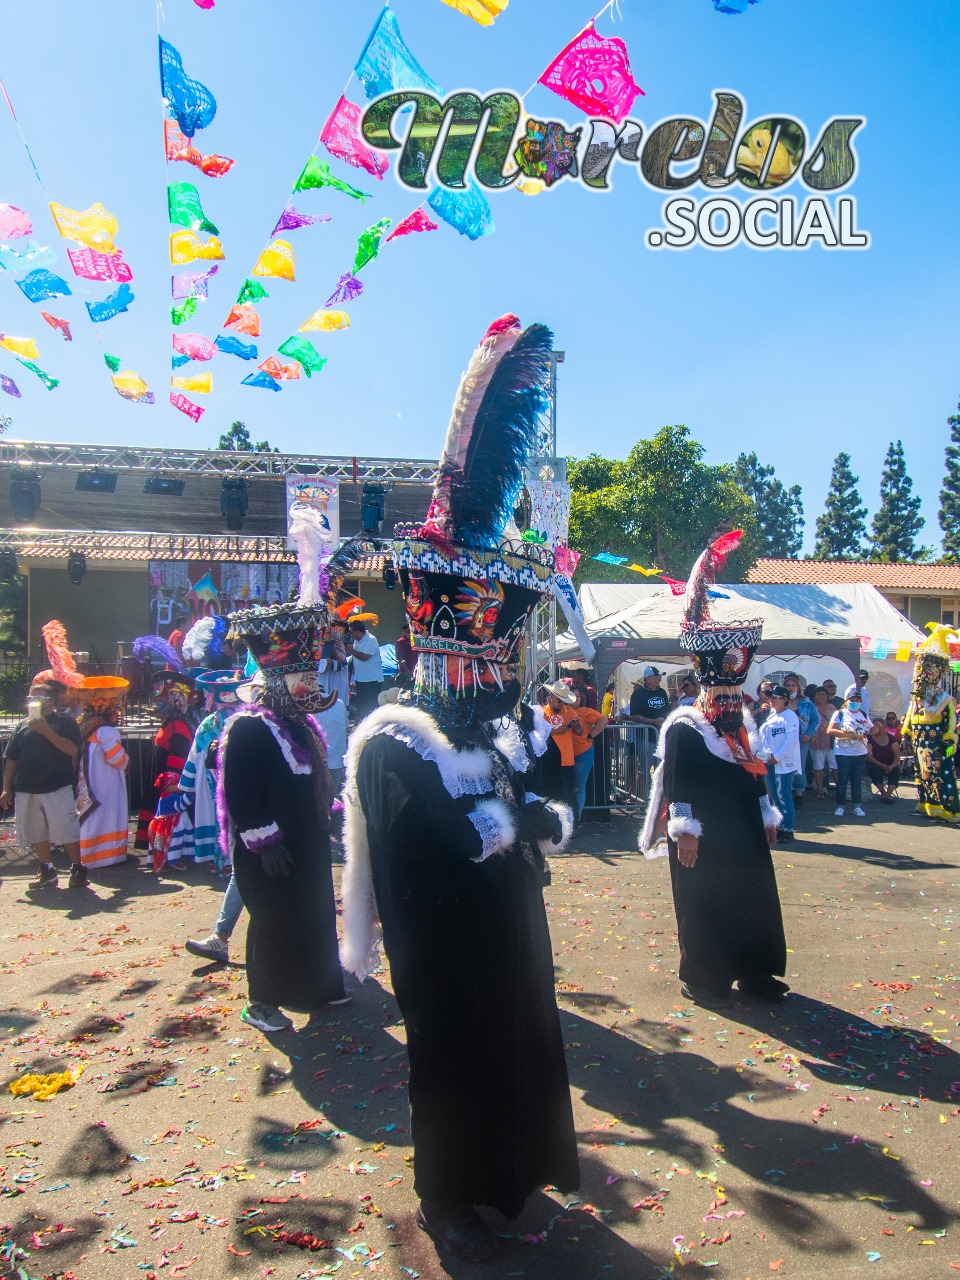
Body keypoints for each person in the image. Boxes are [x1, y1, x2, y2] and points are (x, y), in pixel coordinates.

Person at [342, 313, 579, 1263]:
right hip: (443, 952)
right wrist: (499, 822)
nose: (497, 650)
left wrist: (547, 777)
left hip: (509, 933)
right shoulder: (397, 734)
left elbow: (526, 817)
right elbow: (433, 844)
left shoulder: (493, 722)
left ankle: (514, 1178)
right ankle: (453, 1194)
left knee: (517, 1045)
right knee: (453, 1065)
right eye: (483, 630)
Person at [640, 528, 786, 1010]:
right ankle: (705, 975)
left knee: (752, 896)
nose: (726, 701)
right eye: (719, 694)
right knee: (704, 902)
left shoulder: (742, 724)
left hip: (742, 832)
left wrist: (765, 814)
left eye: (732, 694)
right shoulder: (686, 725)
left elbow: (753, 773)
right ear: (705, 689)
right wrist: (684, 830)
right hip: (701, 835)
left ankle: (755, 969)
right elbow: (680, 784)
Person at [1, 674, 84, 888]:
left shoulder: (64, 722)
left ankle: (77, 867)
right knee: (36, 830)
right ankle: (46, 869)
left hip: (57, 786)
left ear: (51, 701)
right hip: (27, 788)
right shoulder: (22, 726)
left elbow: (72, 749)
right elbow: (12, 758)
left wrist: (46, 731)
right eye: (31, 698)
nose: (34, 702)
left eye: (39, 698)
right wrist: (6, 788)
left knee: (65, 829)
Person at [133, 667, 195, 850]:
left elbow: (175, 766)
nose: (157, 701)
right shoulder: (171, 721)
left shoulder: (178, 725)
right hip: (158, 786)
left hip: (168, 791)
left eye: (162, 697)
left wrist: (170, 791)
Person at [902, 625, 960, 823]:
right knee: (922, 776)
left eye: (925, 669)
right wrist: (906, 733)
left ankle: (948, 810)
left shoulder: (945, 698)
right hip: (920, 743)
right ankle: (927, 806)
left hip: (937, 744)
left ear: (936, 673)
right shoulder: (917, 697)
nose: (920, 673)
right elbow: (910, 715)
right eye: (919, 668)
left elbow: (951, 724)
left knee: (941, 776)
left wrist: (949, 740)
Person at [75, 676, 131, 872]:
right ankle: (105, 857)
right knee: (105, 816)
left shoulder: (82, 721)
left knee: (89, 816)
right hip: (103, 782)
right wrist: (127, 762)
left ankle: (87, 856)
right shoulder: (105, 729)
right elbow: (116, 758)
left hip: (86, 781)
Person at [757, 685, 801, 842]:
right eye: (771, 696)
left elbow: (791, 740)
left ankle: (788, 829)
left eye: (775, 697)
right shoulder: (772, 715)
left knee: (784, 795)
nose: (772, 699)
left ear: (784, 699)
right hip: (769, 761)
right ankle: (780, 826)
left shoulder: (789, 716)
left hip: (783, 763)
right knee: (775, 796)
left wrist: (778, 756)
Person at [827, 684, 871, 818]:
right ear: (847, 701)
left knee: (857, 780)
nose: (855, 703)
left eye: (857, 700)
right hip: (844, 752)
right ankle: (840, 806)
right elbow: (830, 730)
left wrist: (877, 728)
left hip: (860, 752)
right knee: (843, 779)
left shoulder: (863, 714)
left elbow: (871, 728)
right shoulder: (840, 714)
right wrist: (846, 734)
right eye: (852, 700)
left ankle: (857, 806)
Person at [569, 687, 608, 822]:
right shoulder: (562, 711)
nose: (577, 698)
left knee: (579, 787)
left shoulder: (585, 712)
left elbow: (603, 720)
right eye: (574, 696)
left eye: (579, 696)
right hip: (564, 755)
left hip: (582, 754)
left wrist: (591, 735)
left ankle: (576, 819)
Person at [543, 679, 580, 811]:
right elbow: (537, 735)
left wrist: (577, 725)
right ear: (551, 697)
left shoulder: (570, 712)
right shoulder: (541, 712)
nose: (561, 704)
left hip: (566, 760)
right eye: (559, 701)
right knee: (550, 793)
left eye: (564, 701)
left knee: (568, 795)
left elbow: (580, 733)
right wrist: (555, 731)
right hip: (548, 761)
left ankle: (573, 824)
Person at [783, 673, 817, 804]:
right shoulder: (781, 702)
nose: (791, 687)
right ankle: (787, 792)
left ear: (798, 687)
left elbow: (815, 720)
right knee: (786, 764)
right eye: (788, 685)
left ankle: (799, 794)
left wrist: (809, 734)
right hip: (785, 738)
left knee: (799, 766)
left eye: (793, 685)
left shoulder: (806, 702)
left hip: (802, 738)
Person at [346, 614, 383, 720]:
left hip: (371, 680)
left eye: (352, 632)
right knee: (361, 706)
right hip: (360, 679)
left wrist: (351, 650)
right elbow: (354, 660)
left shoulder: (371, 639)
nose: (351, 635)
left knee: (371, 705)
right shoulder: (356, 641)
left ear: (358, 631)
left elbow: (364, 657)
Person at [809, 684, 837, 800]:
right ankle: (820, 789)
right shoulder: (811, 708)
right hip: (816, 743)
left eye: (824, 694)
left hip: (831, 742)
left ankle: (840, 788)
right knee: (818, 767)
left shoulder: (832, 707)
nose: (822, 696)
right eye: (819, 694)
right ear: (814, 696)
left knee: (835, 766)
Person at [866, 715, 900, 804]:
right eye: (877, 727)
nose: (880, 729)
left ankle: (888, 794)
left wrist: (892, 766)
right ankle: (883, 793)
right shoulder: (869, 739)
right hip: (876, 763)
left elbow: (897, 755)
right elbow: (869, 756)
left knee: (896, 770)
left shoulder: (891, 738)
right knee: (874, 770)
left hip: (889, 763)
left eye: (881, 726)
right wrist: (882, 765)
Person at [394, 620, 416, 685]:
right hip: (406, 674)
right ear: (403, 632)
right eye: (408, 632)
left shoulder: (413, 641)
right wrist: (407, 672)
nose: (411, 634)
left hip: (415, 671)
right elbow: (399, 658)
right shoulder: (401, 642)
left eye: (412, 632)